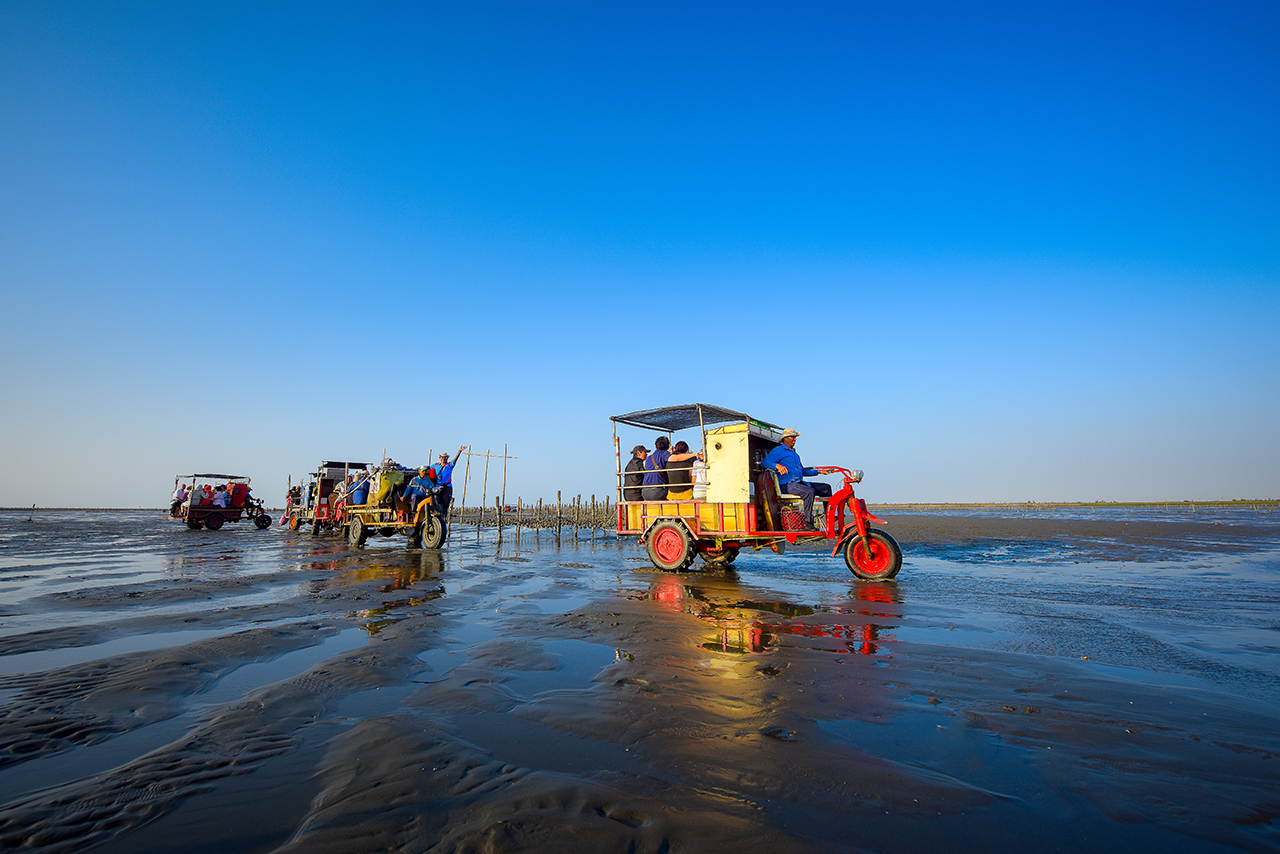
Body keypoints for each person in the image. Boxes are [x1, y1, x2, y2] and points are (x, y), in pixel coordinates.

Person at [761, 428, 833, 528]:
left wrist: (819, 472)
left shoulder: (795, 454)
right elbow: (764, 462)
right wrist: (777, 466)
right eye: (793, 437)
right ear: (785, 439)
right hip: (787, 485)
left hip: (799, 483)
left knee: (826, 488)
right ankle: (808, 523)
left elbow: (802, 472)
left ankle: (830, 517)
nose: (795, 440)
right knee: (809, 492)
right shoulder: (779, 450)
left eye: (795, 438)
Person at [434, 446, 466, 515]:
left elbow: (455, 459)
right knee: (435, 499)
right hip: (438, 486)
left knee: (445, 504)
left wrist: (459, 451)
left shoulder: (449, 465)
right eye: (442, 457)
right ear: (440, 458)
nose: (443, 459)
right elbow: (427, 468)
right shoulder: (436, 465)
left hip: (447, 487)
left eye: (445, 457)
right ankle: (437, 513)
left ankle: (444, 517)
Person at [641, 436, 671, 500]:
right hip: (658, 491)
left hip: (645, 492)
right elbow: (673, 459)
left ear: (655, 446)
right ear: (668, 446)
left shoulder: (649, 458)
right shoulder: (665, 454)